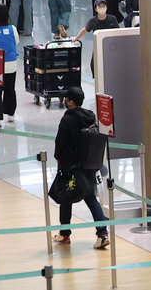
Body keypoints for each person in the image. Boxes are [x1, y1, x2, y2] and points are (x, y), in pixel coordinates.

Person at [52, 87, 110, 249]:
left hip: (71, 166)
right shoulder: (90, 117)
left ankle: (65, 234)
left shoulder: (67, 120)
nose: (64, 101)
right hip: (89, 164)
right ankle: (101, 234)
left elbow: (60, 142)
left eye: (66, 98)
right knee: (90, 196)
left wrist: (58, 157)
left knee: (65, 197)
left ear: (71, 101)